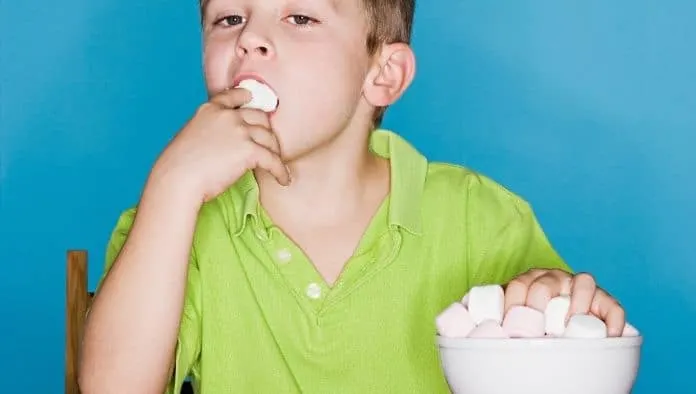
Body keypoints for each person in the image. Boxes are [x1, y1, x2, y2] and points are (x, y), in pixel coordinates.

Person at [79, 0, 626, 392]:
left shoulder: (480, 218)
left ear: (382, 75)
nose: (249, 38)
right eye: (228, 18)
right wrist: (172, 186)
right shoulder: (172, 226)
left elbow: (565, 349)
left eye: (299, 17)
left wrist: (549, 297)